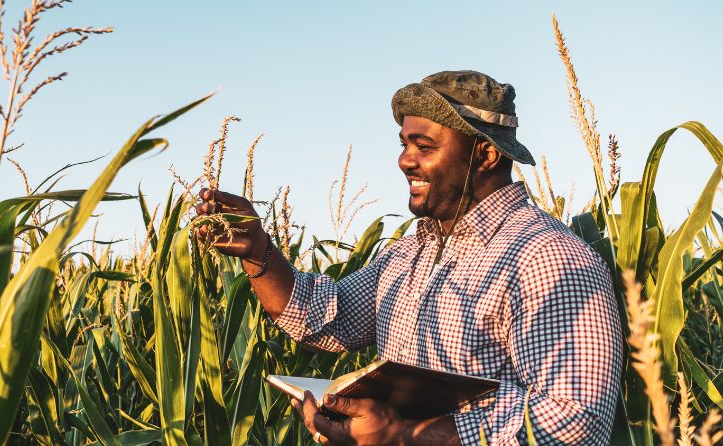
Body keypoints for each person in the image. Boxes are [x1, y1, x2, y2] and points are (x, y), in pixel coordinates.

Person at [195, 71, 623, 445]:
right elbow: (325, 317)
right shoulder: (407, 253)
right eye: (404, 144)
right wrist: (257, 252)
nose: (404, 160)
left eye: (424, 146)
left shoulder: (547, 257)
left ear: (486, 154)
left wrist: (404, 437)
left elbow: (576, 420)